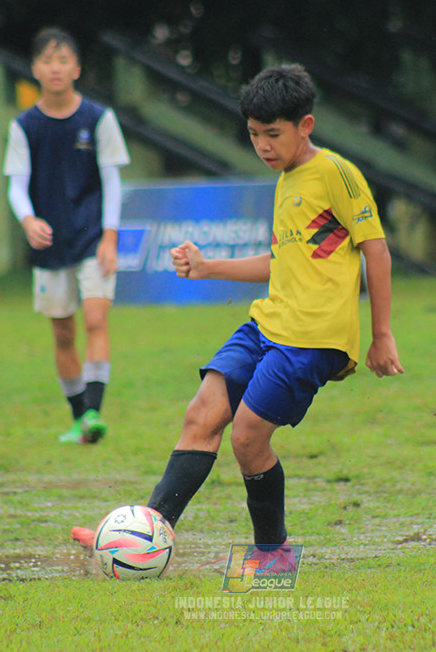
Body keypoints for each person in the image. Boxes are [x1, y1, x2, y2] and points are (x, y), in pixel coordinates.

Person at [72, 64, 404, 570]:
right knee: (202, 413)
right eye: (254, 135)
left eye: (274, 134)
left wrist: (381, 335)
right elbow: (281, 262)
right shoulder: (286, 181)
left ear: (305, 126)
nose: (264, 146)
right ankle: (140, 535)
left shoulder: (334, 173)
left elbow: (375, 251)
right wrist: (208, 267)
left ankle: (274, 553)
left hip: (312, 338)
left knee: (247, 438)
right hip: (268, 323)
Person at [3, 27, 131, 444]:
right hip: (50, 243)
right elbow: (16, 185)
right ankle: (79, 417)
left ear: (76, 69)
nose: (55, 68)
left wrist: (109, 237)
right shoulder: (25, 126)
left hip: (93, 237)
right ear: (35, 69)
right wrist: (27, 220)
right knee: (62, 331)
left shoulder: (99, 119)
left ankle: (93, 412)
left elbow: (112, 182)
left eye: (63, 61)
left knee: (95, 319)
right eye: (47, 61)